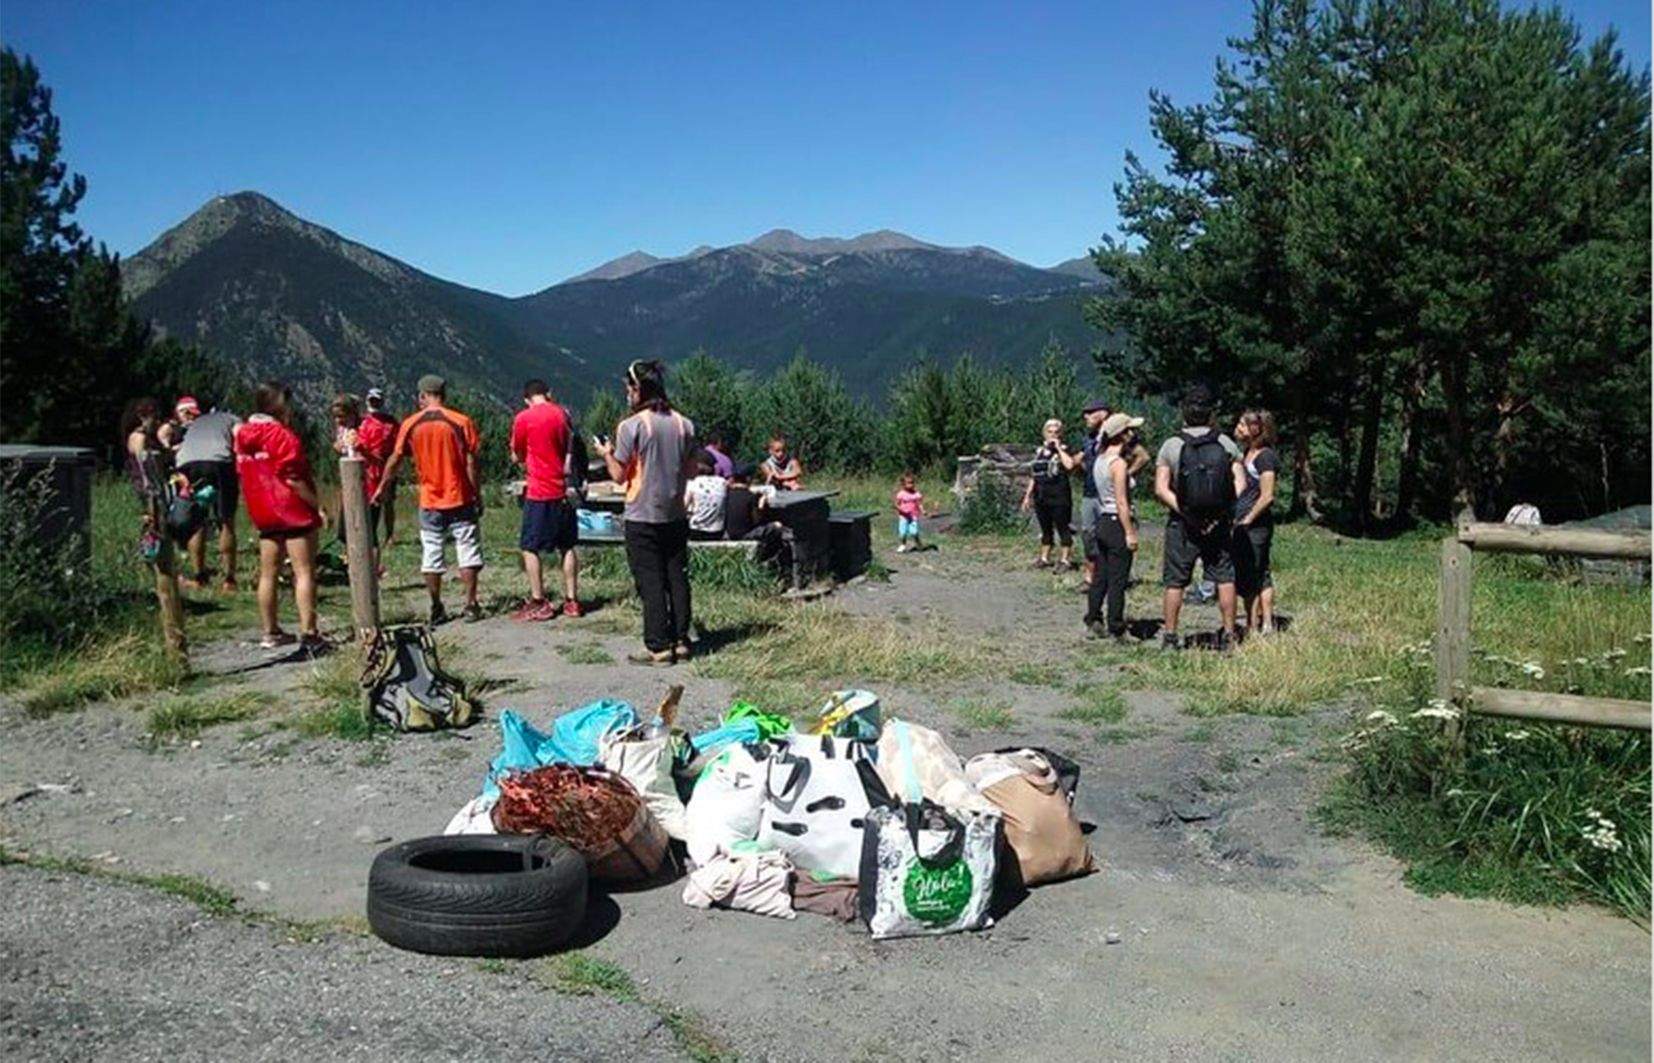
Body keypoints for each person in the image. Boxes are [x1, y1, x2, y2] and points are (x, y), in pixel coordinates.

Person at [596, 359, 698, 666]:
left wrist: (606, 454)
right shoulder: (685, 424)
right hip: (675, 512)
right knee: (676, 578)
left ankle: (658, 646)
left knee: (650, 581)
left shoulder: (633, 426)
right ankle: (681, 640)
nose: (627, 393)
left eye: (628, 388)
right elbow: (692, 468)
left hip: (642, 513)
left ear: (638, 389)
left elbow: (618, 475)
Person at [375, 374, 484, 625]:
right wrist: (476, 493)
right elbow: (471, 462)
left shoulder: (411, 424)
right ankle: (470, 604)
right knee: (467, 552)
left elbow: (395, 459)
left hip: (429, 499)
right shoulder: (460, 421)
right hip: (460, 496)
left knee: (432, 554)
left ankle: (436, 605)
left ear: (423, 396)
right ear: (443, 395)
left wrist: (382, 486)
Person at [234, 382, 324, 651]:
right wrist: (316, 505)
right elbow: (293, 477)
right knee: (304, 572)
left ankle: (270, 630)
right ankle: (309, 632)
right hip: (291, 508)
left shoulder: (243, 436)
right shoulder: (283, 436)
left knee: (268, 573)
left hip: (263, 508)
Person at [1155, 385, 1243, 650]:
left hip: (1182, 525)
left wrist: (1186, 512)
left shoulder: (1172, 445)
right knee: (1225, 577)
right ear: (1210, 414)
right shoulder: (1225, 443)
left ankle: (1170, 636)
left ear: (1184, 413)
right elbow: (1241, 483)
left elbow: (1160, 488)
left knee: (1175, 581)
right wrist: (1223, 511)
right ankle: (1228, 634)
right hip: (1219, 523)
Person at [509, 378, 582, 621]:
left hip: (539, 490)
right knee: (567, 546)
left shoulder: (524, 418)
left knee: (529, 547)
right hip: (563, 489)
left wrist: (523, 458)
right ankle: (572, 600)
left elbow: (517, 454)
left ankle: (539, 600)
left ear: (527, 399)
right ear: (548, 394)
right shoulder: (563, 414)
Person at [1085, 412, 1144, 641]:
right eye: (1129, 430)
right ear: (1122, 434)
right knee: (1118, 578)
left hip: (1102, 520)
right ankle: (1117, 626)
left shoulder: (1100, 459)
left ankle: (1093, 618)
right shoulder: (1118, 464)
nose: (1133, 435)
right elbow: (1121, 501)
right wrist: (1129, 532)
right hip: (1116, 522)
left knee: (1101, 574)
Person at [174, 398, 243, 592]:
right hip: (219, 462)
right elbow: (241, 440)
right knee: (226, 521)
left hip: (187, 464)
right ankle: (229, 579)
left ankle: (199, 577)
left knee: (197, 520)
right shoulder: (233, 419)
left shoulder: (198, 422)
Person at [330, 393, 394, 575]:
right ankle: (356, 563)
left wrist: (361, 447)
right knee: (344, 531)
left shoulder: (370, 427)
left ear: (352, 413)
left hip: (370, 483)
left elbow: (380, 458)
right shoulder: (343, 429)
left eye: (341, 417)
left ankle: (373, 569)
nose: (338, 421)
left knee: (369, 530)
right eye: (335, 417)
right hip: (350, 482)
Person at [1232, 408, 1279, 635]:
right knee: (1255, 571)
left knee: (1255, 572)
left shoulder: (1265, 456)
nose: (1238, 428)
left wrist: (1249, 518)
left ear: (1256, 428)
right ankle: (1259, 621)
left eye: (1243, 424)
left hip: (1256, 525)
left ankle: (1259, 623)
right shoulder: (1246, 453)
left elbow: (1267, 495)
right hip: (1244, 522)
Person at [1021, 418, 1080, 569]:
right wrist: (1027, 496)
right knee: (1045, 528)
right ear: (1044, 433)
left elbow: (1070, 465)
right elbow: (1034, 475)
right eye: (1050, 432)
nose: (1053, 435)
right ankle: (1044, 558)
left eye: (1056, 432)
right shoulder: (1039, 452)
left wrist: (1059, 449)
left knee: (1062, 527)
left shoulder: (1066, 449)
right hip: (1041, 494)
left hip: (1059, 495)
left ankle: (1065, 559)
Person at [364, 387, 401, 546]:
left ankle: (389, 534)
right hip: (368, 467)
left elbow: (398, 444)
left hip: (387, 466)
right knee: (369, 501)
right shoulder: (363, 421)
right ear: (368, 401)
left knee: (388, 501)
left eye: (377, 400)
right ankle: (369, 534)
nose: (375, 403)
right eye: (372, 400)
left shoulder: (391, 422)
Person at [685, 453, 728, 540]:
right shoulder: (722, 483)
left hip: (696, 530)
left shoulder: (693, 483)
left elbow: (684, 506)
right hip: (717, 530)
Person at [894, 473, 927, 552]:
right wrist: (901, 510)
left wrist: (923, 511)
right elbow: (896, 504)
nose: (911, 485)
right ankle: (903, 545)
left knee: (914, 532)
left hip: (913, 516)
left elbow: (919, 504)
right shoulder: (901, 494)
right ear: (904, 484)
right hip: (903, 516)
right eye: (909, 483)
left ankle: (918, 543)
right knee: (903, 533)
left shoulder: (916, 494)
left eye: (912, 482)